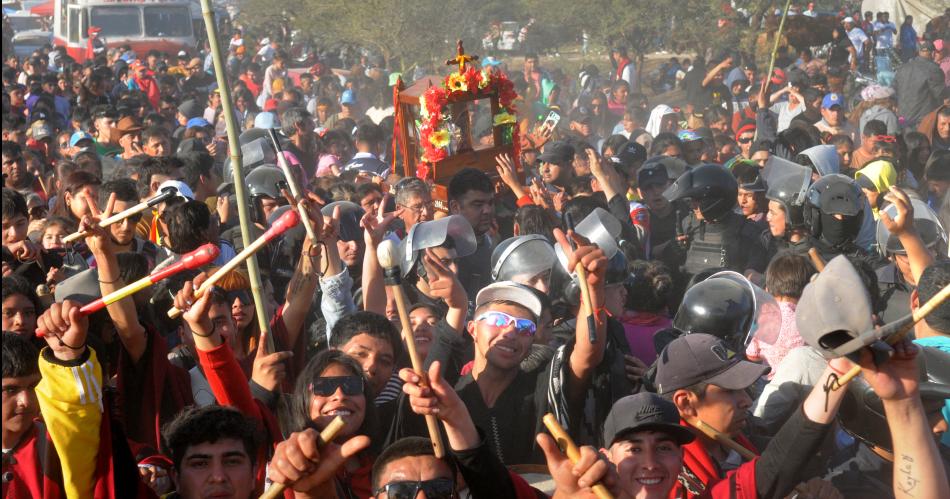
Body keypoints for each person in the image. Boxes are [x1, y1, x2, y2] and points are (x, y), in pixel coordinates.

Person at [894, 40, 945, 129]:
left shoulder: (903, 67)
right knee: (921, 142)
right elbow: (941, 95)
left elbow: (894, 89)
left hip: (902, 117)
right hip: (922, 120)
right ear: (933, 53)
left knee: (905, 140)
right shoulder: (934, 70)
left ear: (919, 52)